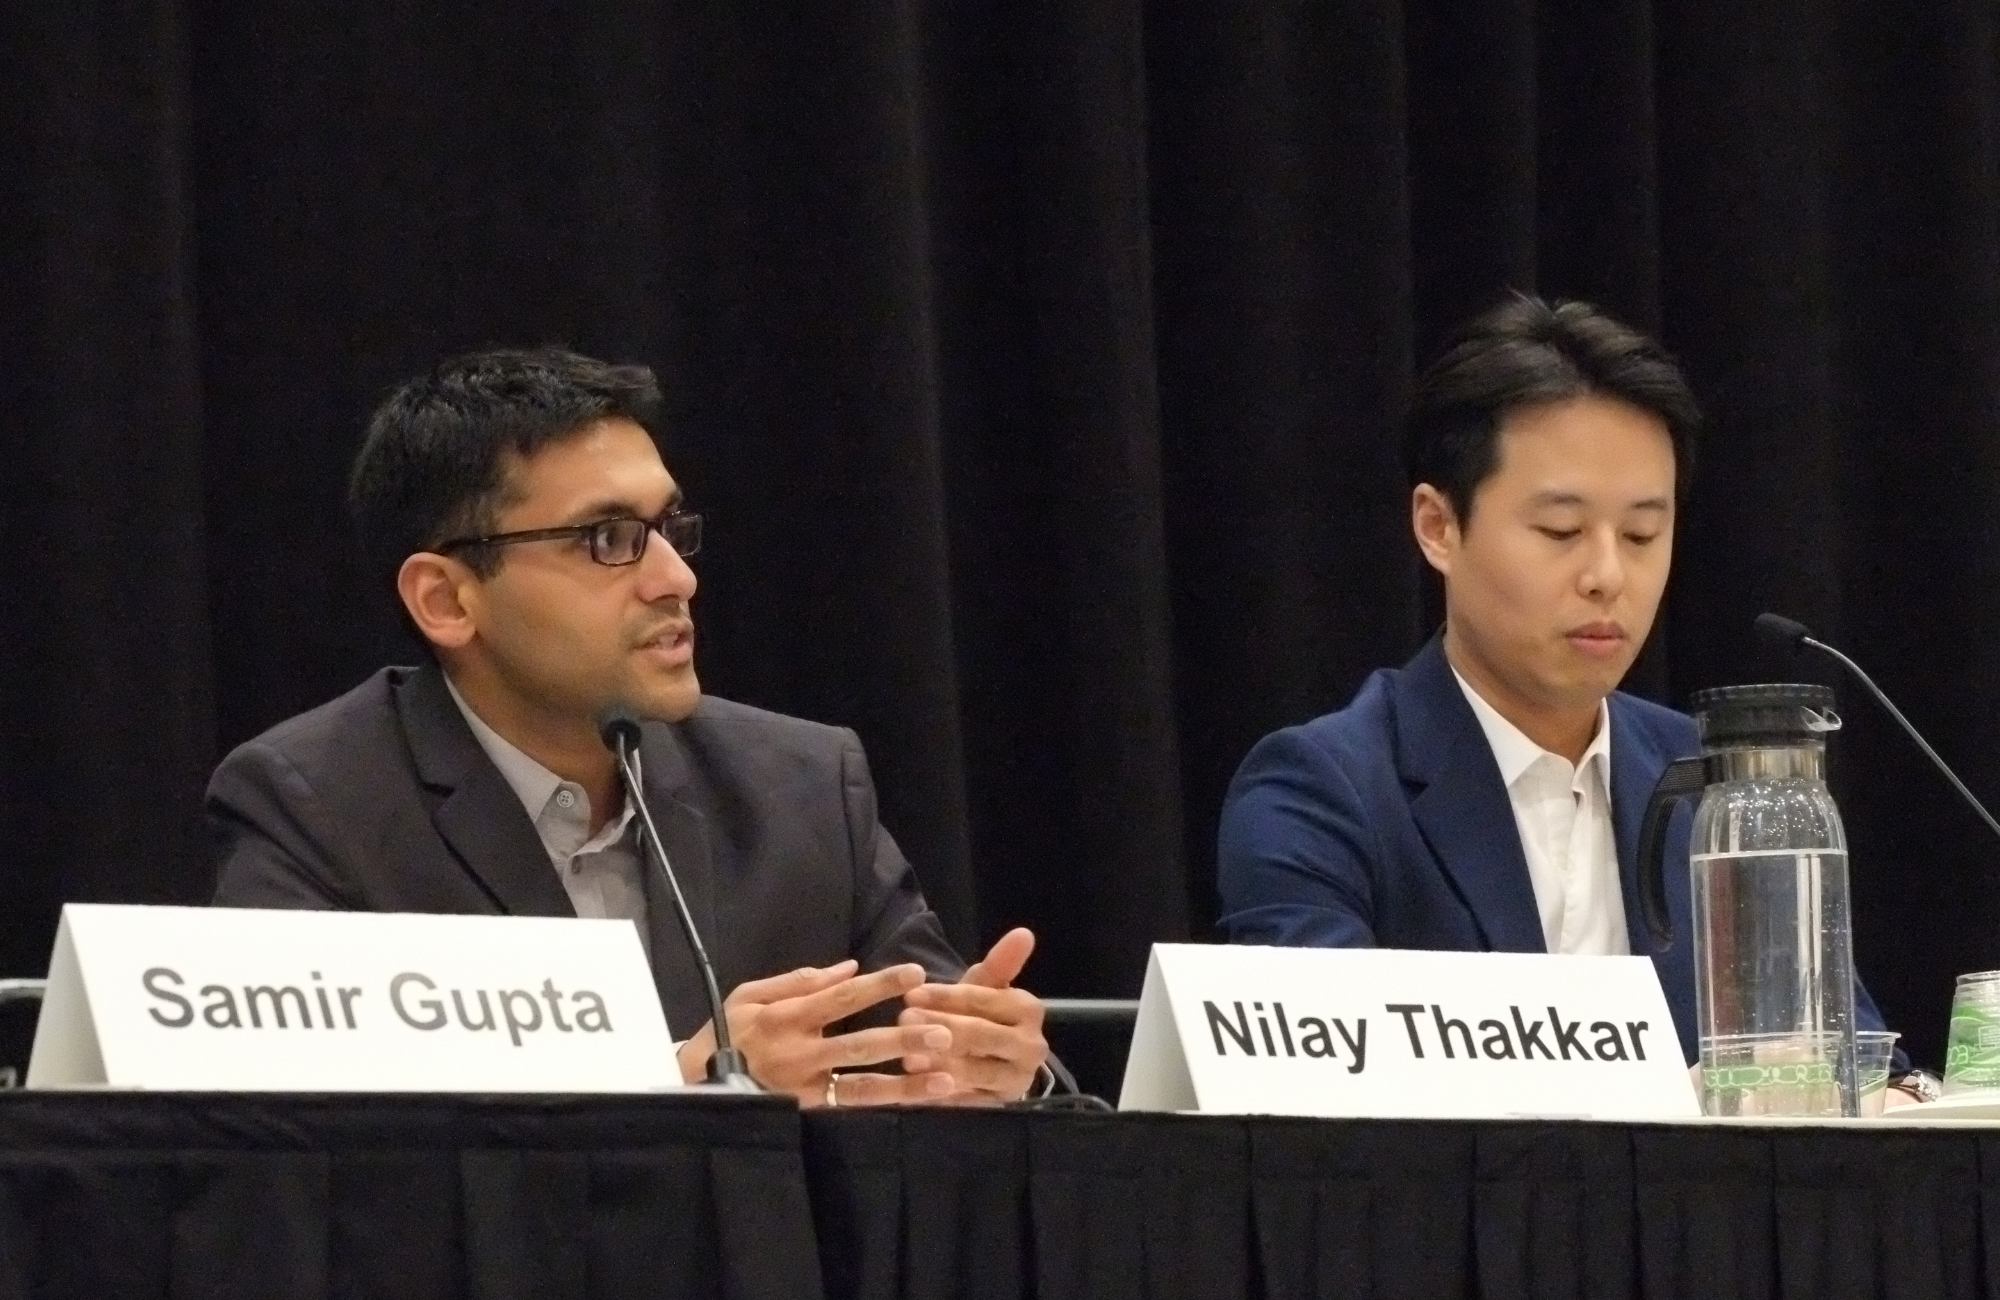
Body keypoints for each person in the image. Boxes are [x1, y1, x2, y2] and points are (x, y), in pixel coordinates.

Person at [208, 347, 1048, 1106]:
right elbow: (299, 1156)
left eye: (669, 529)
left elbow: (938, 1035)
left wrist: (992, 1064)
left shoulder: (802, 785)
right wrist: (677, 1082)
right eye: (609, 538)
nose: (674, 577)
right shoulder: (317, 808)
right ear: (447, 599)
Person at [1215, 294, 1911, 1083]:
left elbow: (1850, 1066)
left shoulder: (1719, 787)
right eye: (1561, 532)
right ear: (1438, 527)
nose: (1608, 576)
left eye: (1643, 534)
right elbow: (1310, 1102)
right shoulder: (1322, 793)